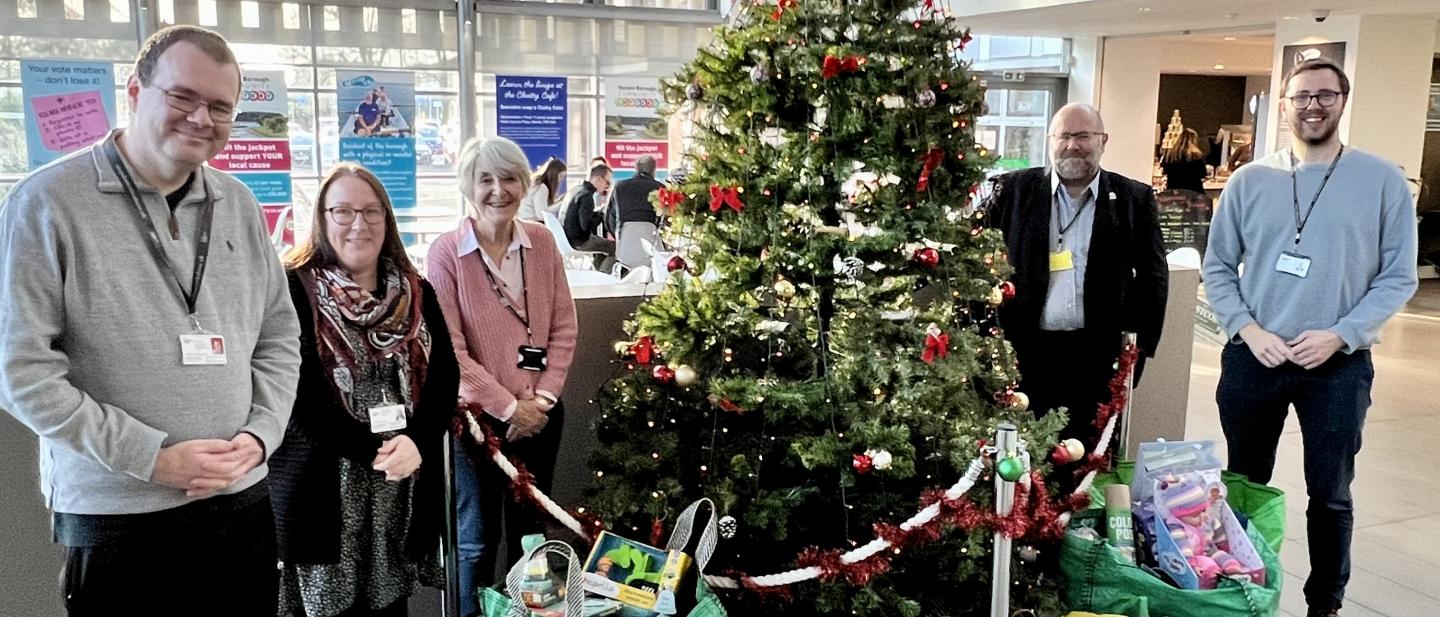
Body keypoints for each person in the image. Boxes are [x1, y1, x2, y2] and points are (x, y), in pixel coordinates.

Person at [0, 25, 300, 613]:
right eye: (183, 97)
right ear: (135, 93)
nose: (201, 118)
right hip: (118, 513)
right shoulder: (45, 204)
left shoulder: (238, 204)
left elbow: (278, 336)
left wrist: (259, 437)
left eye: (220, 106)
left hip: (241, 499)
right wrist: (151, 457)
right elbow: (21, 371)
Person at [1202, 58, 1418, 617]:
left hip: (1339, 365)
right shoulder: (1249, 181)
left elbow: (1399, 275)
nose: (1312, 105)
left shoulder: (1382, 181)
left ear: (1343, 100)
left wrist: (1342, 335)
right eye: (1301, 96)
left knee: (1330, 495)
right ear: (1284, 105)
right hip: (1255, 357)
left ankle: (1324, 603)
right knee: (1244, 485)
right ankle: (1241, 591)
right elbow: (1219, 268)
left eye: (1325, 95)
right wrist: (1248, 331)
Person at [271, 163, 460, 617]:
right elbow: (293, 394)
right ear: (322, 218)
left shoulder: (416, 291)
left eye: (372, 212)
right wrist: (374, 450)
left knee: (391, 608)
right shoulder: (292, 288)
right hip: (324, 494)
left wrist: (418, 440)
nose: (360, 224)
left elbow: (445, 376)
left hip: (399, 487)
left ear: (387, 220)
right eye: (343, 211)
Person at [426, 136, 578, 617]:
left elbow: (563, 327)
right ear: (468, 186)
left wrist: (544, 401)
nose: (498, 190)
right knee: (476, 542)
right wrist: (511, 410)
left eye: (509, 178)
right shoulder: (446, 253)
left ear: (525, 183)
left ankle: (535, 615)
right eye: (485, 179)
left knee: (535, 537)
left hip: (542, 415)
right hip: (477, 425)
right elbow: (451, 353)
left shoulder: (543, 241)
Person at [986, 102, 1168, 442]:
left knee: (1089, 455)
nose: (1073, 145)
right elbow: (978, 261)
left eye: (1084, 135)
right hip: (1024, 353)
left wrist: (1138, 354)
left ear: (1103, 140)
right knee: (1022, 457)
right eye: (1064, 135)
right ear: (1050, 140)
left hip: (1096, 357)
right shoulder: (1012, 191)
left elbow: (1153, 279)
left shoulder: (1133, 198)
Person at [562, 163, 618, 270]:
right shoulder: (587, 196)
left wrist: (596, 214)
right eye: (607, 183)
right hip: (580, 241)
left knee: (603, 245)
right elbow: (586, 226)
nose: (607, 187)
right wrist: (600, 215)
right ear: (598, 180)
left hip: (569, 238)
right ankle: (604, 274)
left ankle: (599, 271)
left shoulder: (577, 190)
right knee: (615, 248)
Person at [605, 154, 664, 232]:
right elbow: (665, 219)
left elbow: (609, 218)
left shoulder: (620, 187)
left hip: (625, 237)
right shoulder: (660, 189)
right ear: (654, 170)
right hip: (652, 237)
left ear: (636, 168)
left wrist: (618, 237)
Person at [1161, 128, 1209, 194]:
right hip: (1194, 192)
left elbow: (1164, 171)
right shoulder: (1197, 156)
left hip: (1173, 192)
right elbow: (1203, 174)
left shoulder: (1170, 155)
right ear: (1194, 140)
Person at [520, 157, 568, 222]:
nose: (561, 180)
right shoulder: (542, 188)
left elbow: (542, 206)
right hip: (532, 224)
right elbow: (541, 214)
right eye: (561, 176)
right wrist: (563, 203)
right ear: (554, 175)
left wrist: (558, 201)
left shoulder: (536, 184)